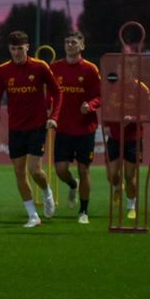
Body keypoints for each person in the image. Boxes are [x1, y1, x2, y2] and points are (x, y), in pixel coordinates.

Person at [0, 30, 61, 228]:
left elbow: (57, 91)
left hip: (38, 125)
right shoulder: (4, 70)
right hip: (15, 128)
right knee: (19, 172)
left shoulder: (40, 67)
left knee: (34, 170)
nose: (16, 53)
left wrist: (54, 116)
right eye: (13, 49)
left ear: (27, 47)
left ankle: (47, 192)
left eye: (20, 49)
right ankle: (33, 216)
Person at [50, 31, 101, 224]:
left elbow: (100, 95)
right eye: (67, 42)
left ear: (82, 46)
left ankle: (83, 211)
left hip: (85, 128)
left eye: (73, 42)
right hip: (62, 127)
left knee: (84, 169)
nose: (70, 45)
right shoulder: (55, 68)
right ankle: (73, 185)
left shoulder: (90, 69)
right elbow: (49, 93)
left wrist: (91, 105)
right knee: (61, 169)